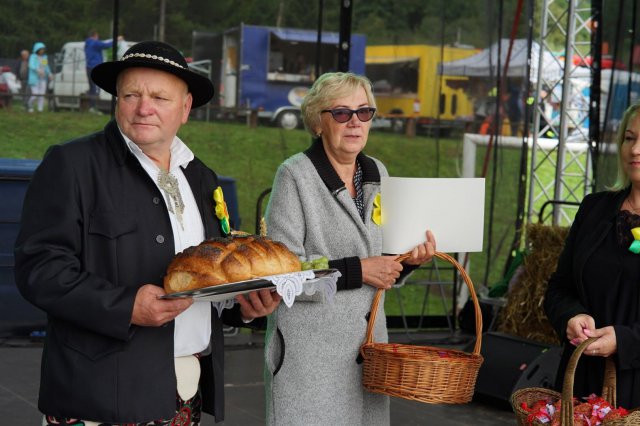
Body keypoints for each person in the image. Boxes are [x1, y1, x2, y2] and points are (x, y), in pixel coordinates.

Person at [15, 40, 281, 425]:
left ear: (185, 108)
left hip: (184, 391)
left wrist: (243, 306)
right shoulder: (72, 164)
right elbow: (39, 270)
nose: (144, 108)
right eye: (131, 95)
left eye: (160, 97)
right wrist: (125, 306)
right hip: (98, 392)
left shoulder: (202, 177)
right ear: (116, 100)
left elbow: (210, 277)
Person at [263, 72, 436, 425]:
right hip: (310, 362)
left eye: (364, 112)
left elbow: (384, 263)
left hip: (370, 356)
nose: (355, 122)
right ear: (317, 122)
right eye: (342, 113)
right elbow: (282, 272)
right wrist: (359, 270)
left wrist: (409, 260)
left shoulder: (378, 172)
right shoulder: (294, 176)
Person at [544, 103, 640, 409]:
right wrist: (571, 316)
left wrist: (624, 341)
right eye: (629, 137)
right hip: (582, 385)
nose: (635, 149)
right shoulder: (594, 208)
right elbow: (559, 288)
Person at [84, 30, 123, 112]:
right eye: (97, 37)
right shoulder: (95, 43)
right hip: (94, 67)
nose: (98, 38)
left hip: (88, 67)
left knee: (92, 88)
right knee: (95, 88)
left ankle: (91, 107)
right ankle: (92, 107)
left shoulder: (87, 43)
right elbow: (106, 45)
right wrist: (117, 39)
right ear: (94, 36)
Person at [27, 42, 52, 113]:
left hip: (43, 78)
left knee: (41, 94)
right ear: (37, 49)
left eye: (43, 49)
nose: (42, 51)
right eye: (41, 49)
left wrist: (49, 74)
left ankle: (40, 109)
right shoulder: (33, 56)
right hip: (34, 79)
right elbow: (31, 65)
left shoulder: (44, 57)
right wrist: (38, 70)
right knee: (35, 94)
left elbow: (46, 67)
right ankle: (30, 105)